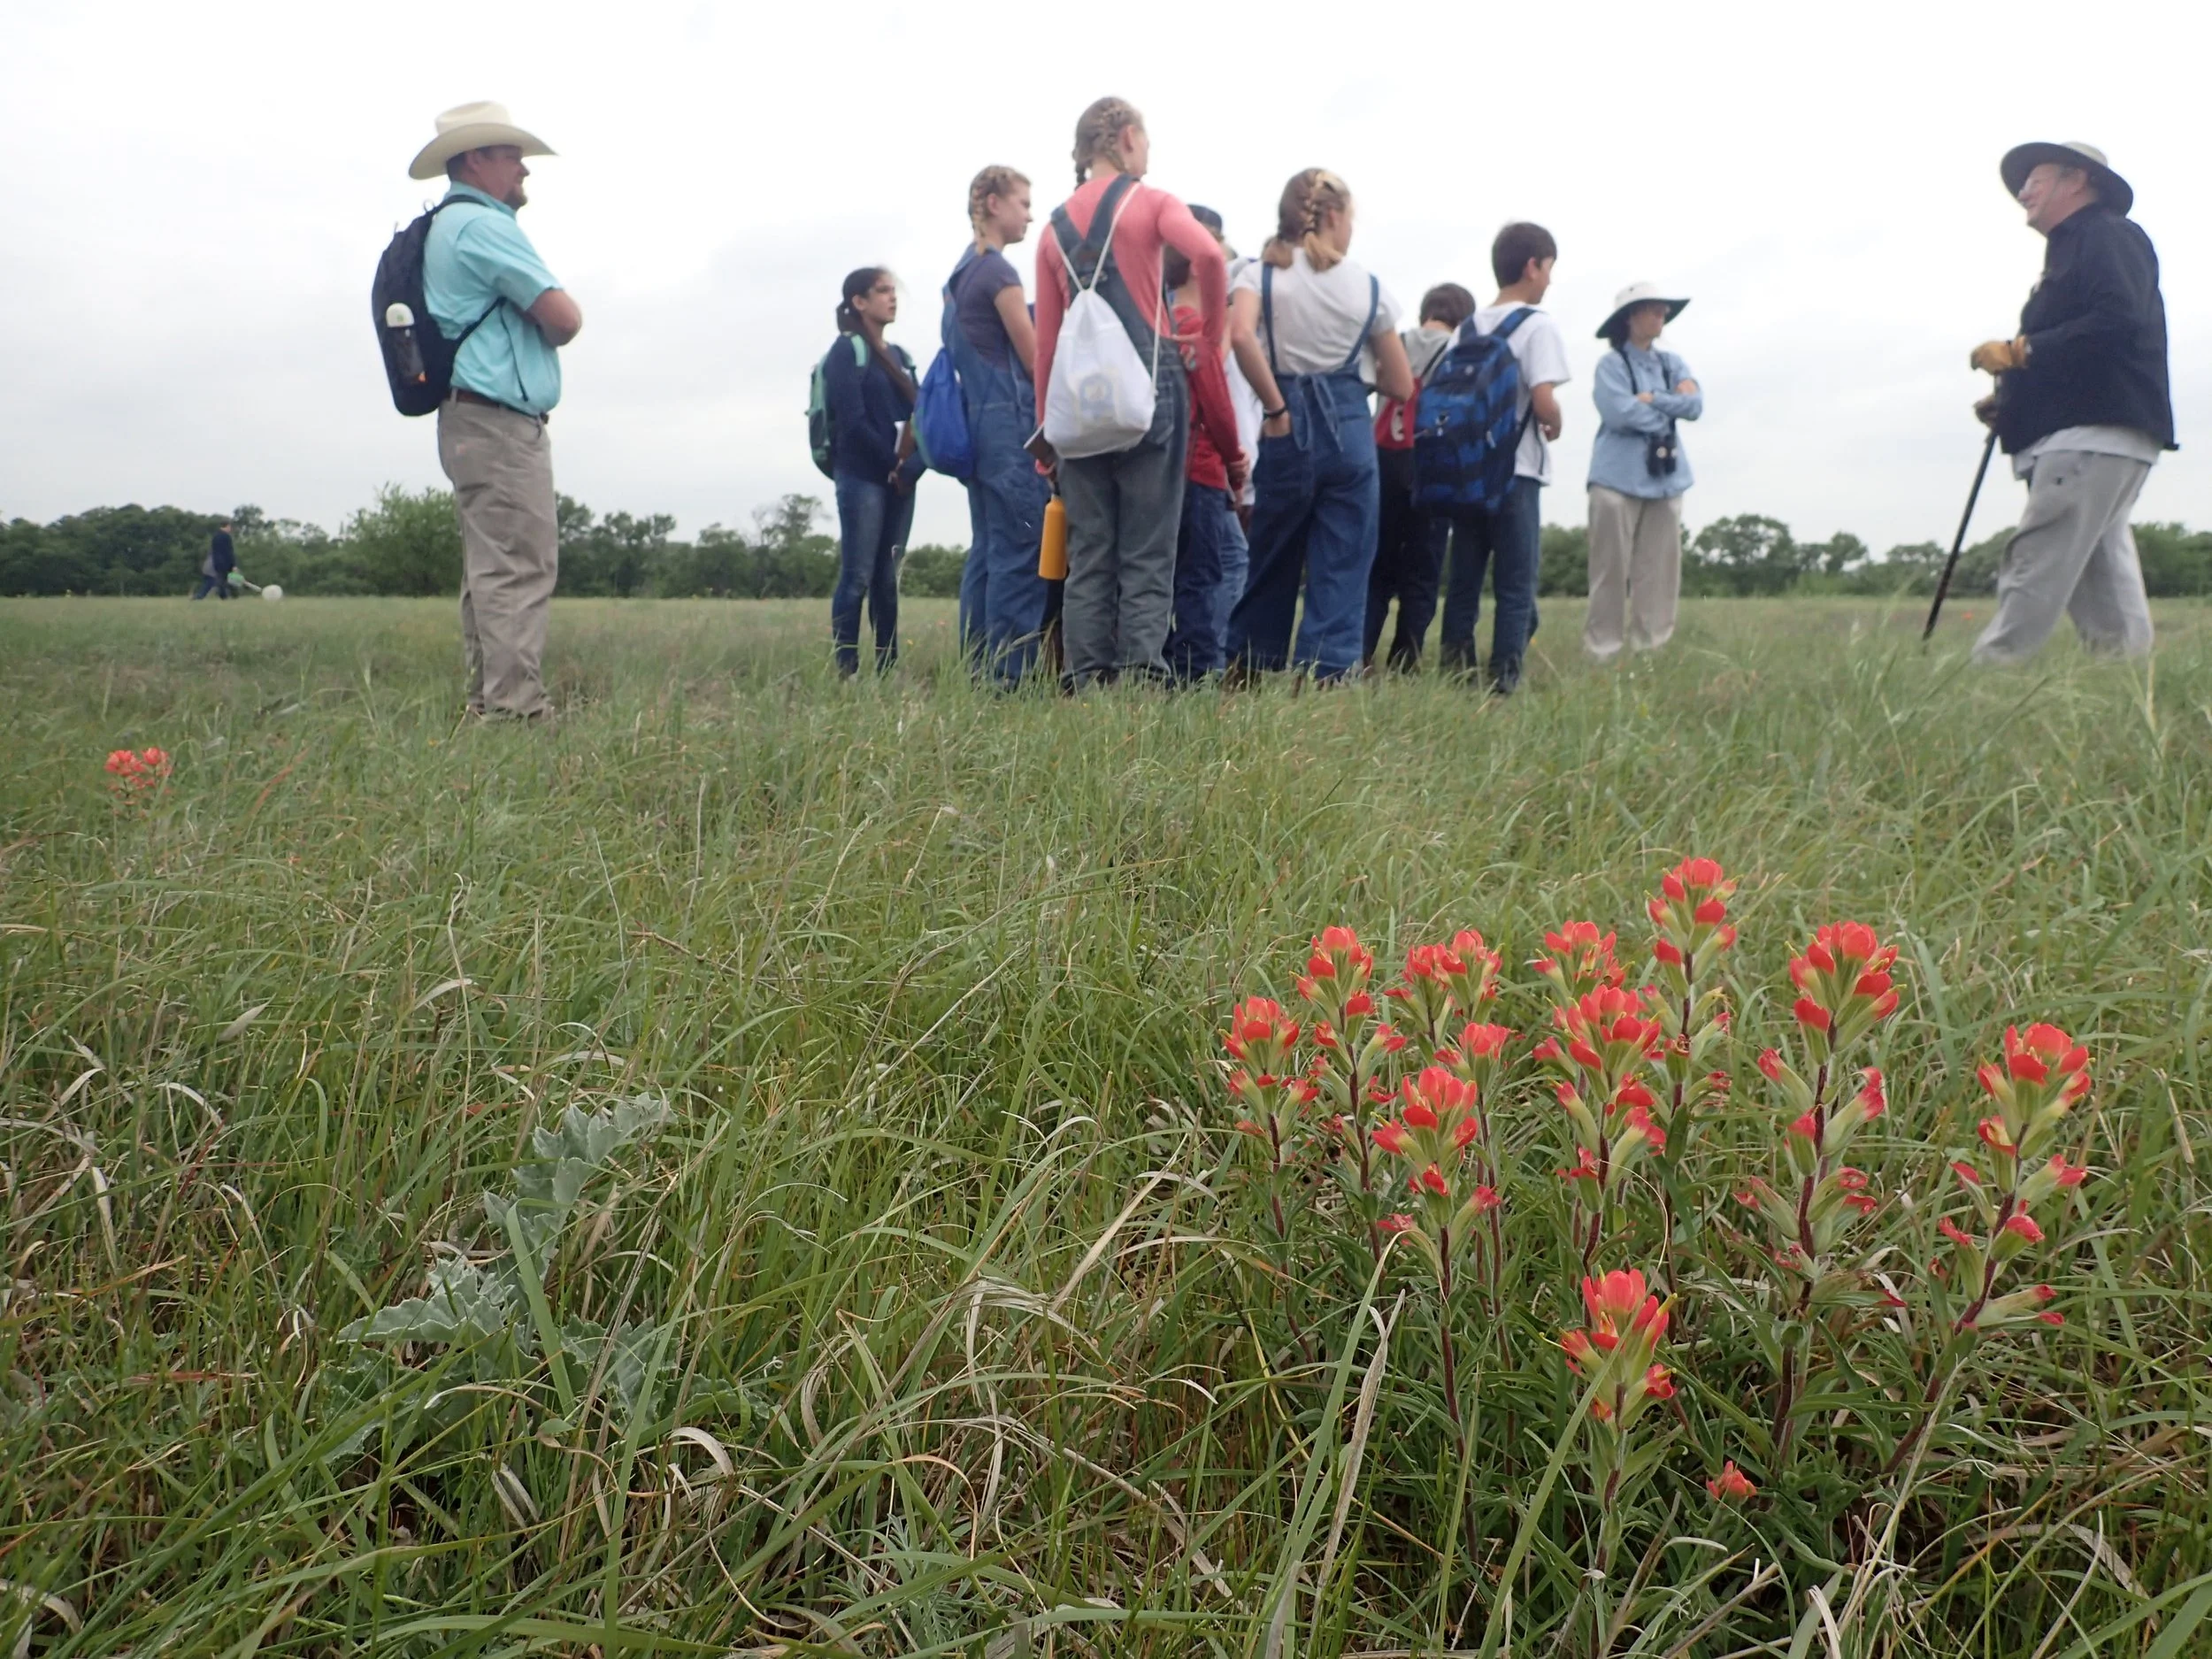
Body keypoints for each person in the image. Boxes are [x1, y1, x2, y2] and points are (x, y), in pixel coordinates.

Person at [1033, 97, 1227, 688]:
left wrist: (1046, 428)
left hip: (1079, 401)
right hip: (1151, 386)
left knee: (1090, 552)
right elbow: (1210, 256)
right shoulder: (1154, 203)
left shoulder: (1051, 230)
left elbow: (1046, 343)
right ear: (1125, 137)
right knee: (1147, 549)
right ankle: (1140, 681)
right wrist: (1211, 341)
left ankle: (1087, 679)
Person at [1969, 142, 2172, 665]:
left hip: (2090, 434)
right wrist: (2011, 401)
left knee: (2037, 559)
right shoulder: (2073, 249)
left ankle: (1993, 671)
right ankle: (2126, 684)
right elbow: (2082, 347)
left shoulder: (2106, 235)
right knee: (2100, 575)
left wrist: (2021, 350)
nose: (2023, 192)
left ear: (2075, 180)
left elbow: (2118, 322)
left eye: (2034, 179)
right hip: (2089, 433)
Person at [412, 101, 581, 723]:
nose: (524, 171)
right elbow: (564, 319)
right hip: (499, 422)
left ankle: (490, 706)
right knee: (517, 566)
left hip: (468, 419)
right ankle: (516, 714)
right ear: (476, 159)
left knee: (492, 569)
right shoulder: (483, 226)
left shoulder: (445, 226)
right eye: (513, 157)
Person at [1225, 170, 1414, 682]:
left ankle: (1249, 664)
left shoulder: (1258, 275)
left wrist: (1276, 408)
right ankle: (1327, 673)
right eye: (1350, 218)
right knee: (1345, 555)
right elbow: (1401, 384)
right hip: (1348, 424)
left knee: (1273, 549)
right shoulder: (1367, 287)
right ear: (1333, 216)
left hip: (1285, 422)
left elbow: (1240, 335)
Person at [1435, 223, 1571, 696]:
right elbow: (1543, 395)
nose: (1550, 279)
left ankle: (1454, 674)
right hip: (1517, 470)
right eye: (1550, 267)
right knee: (1515, 584)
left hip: (1467, 473)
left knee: (1465, 579)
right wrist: (1554, 422)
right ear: (1533, 266)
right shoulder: (1537, 324)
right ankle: (1504, 682)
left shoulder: (1466, 328)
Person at [949, 167, 1053, 685]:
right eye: (1023, 202)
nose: (1030, 214)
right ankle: (1010, 680)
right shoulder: (1000, 275)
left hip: (976, 431)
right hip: (1011, 429)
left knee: (987, 553)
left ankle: (978, 672)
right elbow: (1036, 362)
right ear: (993, 204)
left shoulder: (961, 274)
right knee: (1020, 550)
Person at [1586, 283, 1701, 661]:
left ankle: (1651, 652)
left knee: (1660, 572)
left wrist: (1655, 400)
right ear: (1630, 318)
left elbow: (1696, 404)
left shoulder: (1673, 363)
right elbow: (1619, 412)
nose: (1661, 316)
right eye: (1652, 309)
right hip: (1616, 479)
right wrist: (1672, 405)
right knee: (1610, 570)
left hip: (1666, 479)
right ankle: (1603, 652)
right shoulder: (1611, 365)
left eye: (1663, 310)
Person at [1363, 283, 1475, 671]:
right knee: (1423, 568)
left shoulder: (1397, 341)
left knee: (1378, 565)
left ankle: (1361, 652)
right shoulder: (1459, 352)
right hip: (1434, 463)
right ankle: (1405, 659)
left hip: (1385, 457)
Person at [823, 268, 924, 676]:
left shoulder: (901, 357)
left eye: (893, 291)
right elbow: (851, 421)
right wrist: (893, 465)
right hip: (863, 477)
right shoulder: (846, 351)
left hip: (900, 481)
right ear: (859, 302)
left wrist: (910, 467)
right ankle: (846, 670)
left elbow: (920, 418)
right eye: (883, 291)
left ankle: (887, 669)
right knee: (858, 575)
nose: (892, 298)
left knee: (887, 577)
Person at [1161, 234, 1250, 680]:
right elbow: (1218, 409)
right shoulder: (1197, 334)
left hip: (1159, 472)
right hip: (1200, 470)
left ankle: (1156, 664)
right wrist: (1235, 461)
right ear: (1200, 268)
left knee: (1163, 576)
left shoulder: (1159, 330)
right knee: (1203, 576)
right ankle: (1197, 670)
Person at [193, 520, 235, 600]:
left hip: (215, 562)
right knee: (223, 580)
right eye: (230, 527)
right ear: (227, 526)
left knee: (219, 580)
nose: (230, 529)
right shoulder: (226, 537)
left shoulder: (215, 537)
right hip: (223, 563)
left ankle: (224, 596)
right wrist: (233, 564)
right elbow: (229, 551)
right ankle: (226, 596)